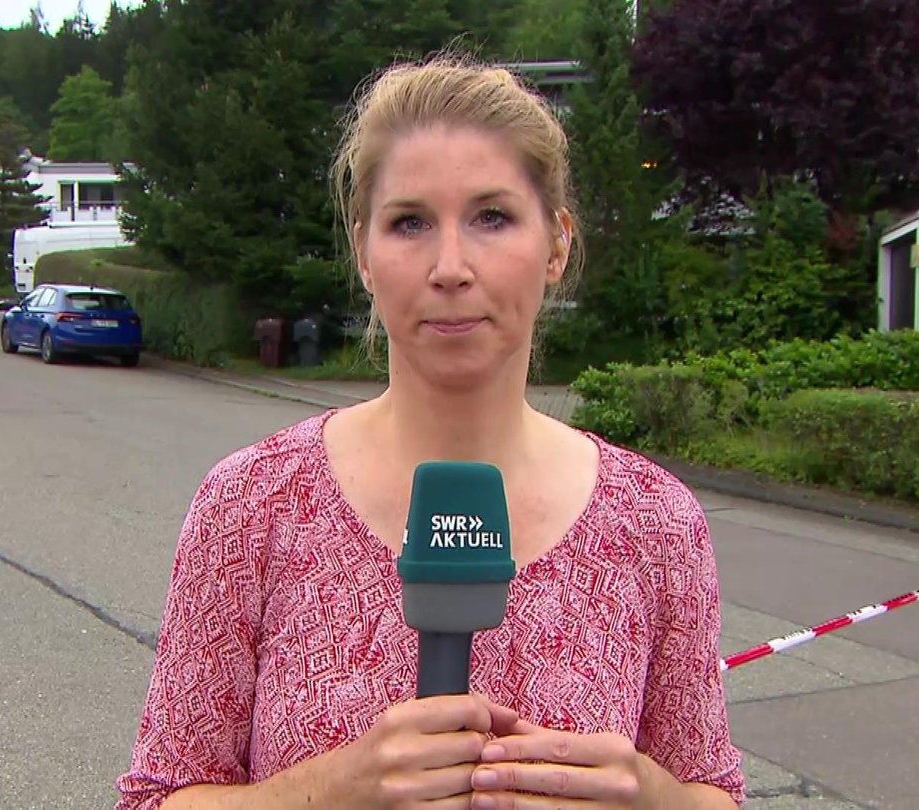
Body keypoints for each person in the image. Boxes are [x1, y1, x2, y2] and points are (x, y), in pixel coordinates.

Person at [116, 52, 746, 810]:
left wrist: (653, 798)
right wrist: (327, 792)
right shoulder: (253, 504)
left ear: (556, 244)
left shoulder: (655, 522)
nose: (450, 267)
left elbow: (714, 793)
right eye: (410, 222)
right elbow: (154, 798)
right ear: (364, 252)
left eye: (491, 217)